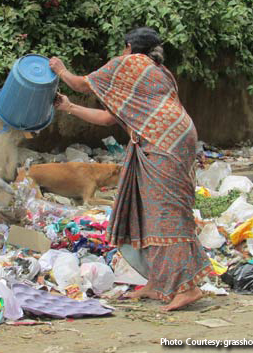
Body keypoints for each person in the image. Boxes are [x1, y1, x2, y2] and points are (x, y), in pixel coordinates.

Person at [49, 27, 212, 311]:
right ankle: (158, 283)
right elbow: (108, 117)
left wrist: (60, 69)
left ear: (128, 47)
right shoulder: (158, 72)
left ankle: (188, 288)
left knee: (164, 213)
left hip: (163, 143)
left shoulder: (128, 64)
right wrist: (69, 108)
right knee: (147, 212)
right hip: (173, 137)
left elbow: (80, 83)